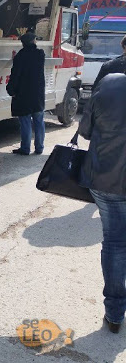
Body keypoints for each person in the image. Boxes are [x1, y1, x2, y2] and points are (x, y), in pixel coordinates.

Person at [78, 73, 126, 334]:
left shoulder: (108, 85)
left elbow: (84, 131)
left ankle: (115, 313)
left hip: (105, 178)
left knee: (116, 243)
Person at [6, 32, 45, 155]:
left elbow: (15, 76)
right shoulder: (40, 54)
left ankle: (25, 148)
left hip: (23, 95)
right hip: (37, 94)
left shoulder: (20, 57)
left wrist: (11, 90)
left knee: (25, 122)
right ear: (33, 41)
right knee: (39, 121)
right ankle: (39, 148)